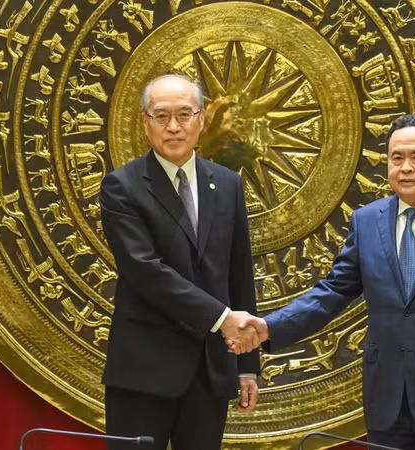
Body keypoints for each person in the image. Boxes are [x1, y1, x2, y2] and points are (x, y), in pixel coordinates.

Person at [230, 115, 415, 449]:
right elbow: (332, 292)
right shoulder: (367, 221)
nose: (405, 167)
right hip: (386, 401)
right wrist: (268, 327)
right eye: (396, 158)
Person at [99, 74, 261, 450]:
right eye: (161, 116)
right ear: (145, 122)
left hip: (209, 371)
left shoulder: (227, 184)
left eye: (184, 114)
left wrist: (247, 364)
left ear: (201, 119)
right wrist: (223, 320)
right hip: (143, 373)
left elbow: (239, 273)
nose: (174, 126)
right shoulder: (122, 187)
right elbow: (145, 271)